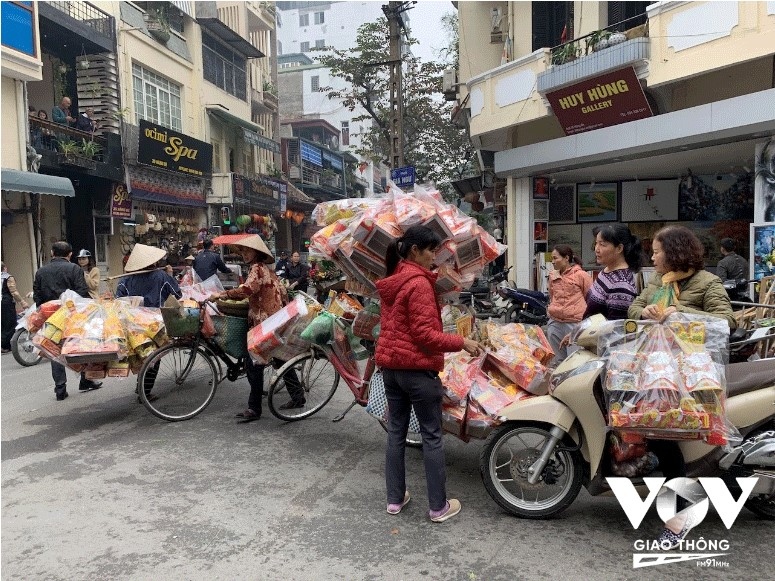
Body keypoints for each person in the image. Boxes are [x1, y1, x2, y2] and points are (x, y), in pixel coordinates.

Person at [628, 225, 735, 549]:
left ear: (674, 251)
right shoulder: (657, 284)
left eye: (658, 251)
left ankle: (679, 519)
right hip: (657, 373)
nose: (653, 256)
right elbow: (633, 309)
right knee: (655, 436)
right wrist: (644, 311)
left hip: (692, 377)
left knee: (668, 441)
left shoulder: (707, 282)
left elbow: (726, 320)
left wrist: (680, 312)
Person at [376, 225, 483, 523]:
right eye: (431, 251)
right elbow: (425, 335)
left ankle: (395, 500)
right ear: (415, 251)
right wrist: (463, 341)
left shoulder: (394, 278)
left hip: (392, 370)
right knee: (431, 436)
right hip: (417, 372)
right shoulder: (419, 283)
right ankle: (438, 507)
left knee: (396, 433)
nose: (435, 257)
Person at [210, 236, 304, 421]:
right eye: (242, 251)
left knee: (254, 363)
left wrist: (222, 294)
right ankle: (298, 396)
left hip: (265, 321)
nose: (244, 254)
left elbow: (247, 290)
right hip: (273, 319)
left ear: (256, 252)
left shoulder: (257, 268)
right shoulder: (266, 269)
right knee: (278, 359)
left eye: (247, 251)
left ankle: (254, 409)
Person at [33, 241, 102, 400]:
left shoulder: (41, 271)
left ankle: (60, 389)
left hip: (51, 316)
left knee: (54, 350)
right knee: (80, 347)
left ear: (52, 253)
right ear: (70, 254)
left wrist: (45, 313)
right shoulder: (74, 269)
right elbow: (82, 292)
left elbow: (37, 296)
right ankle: (86, 380)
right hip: (73, 316)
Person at [115, 244, 182, 402]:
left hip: (131, 323)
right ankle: (145, 390)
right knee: (154, 355)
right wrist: (170, 275)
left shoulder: (125, 280)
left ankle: (141, 385)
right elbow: (177, 294)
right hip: (154, 323)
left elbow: (118, 301)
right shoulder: (161, 276)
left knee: (140, 353)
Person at [584, 224, 643, 320]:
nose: (596, 249)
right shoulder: (607, 271)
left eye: (602, 245)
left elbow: (616, 329)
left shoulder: (620, 285)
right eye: (596, 243)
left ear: (619, 248)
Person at [545, 245, 591, 366]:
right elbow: (552, 295)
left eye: (555, 258)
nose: (553, 261)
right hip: (555, 323)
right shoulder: (552, 276)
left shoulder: (581, 275)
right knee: (559, 362)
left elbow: (591, 298)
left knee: (574, 361)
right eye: (552, 259)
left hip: (574, 324)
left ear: (566, 258)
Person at [2, 262, 30, 354]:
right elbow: (14, 292)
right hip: (5, 303)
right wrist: (22, 302)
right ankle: (5, 346)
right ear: (5, 268)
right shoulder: (8, 277)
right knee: (8, 323)